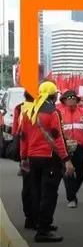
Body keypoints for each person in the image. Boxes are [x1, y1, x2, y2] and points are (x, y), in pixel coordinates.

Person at [20, 81, 74, 242]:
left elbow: (23, 136)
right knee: (49, 194)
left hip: (33, 157)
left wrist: (24, 157)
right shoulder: (53, 112)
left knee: (37, 192)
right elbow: (58, 138)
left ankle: (39, 223)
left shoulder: (30, 110)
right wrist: (66, 159)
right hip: (49, 158)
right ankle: (43, 230)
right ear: (53, 95)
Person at [58, 89, 83, 208]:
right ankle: (71, 198)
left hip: (80, 147)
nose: (71, 99)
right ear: (64, 100)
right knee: (67, 173)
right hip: (65, 148)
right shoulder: (59, 113)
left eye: (73, 98)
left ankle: (73, 192)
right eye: (68, 98)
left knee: (81, 173)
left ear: (77, 100)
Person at [12, 92, 35, 229]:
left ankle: (29, 217)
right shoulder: (44, 109)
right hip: (39, 153)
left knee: (28, 185)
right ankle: (36, 218)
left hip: (26, 152)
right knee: (38, 186)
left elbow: (16, 131)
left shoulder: (19, 108)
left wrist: (22, 156)